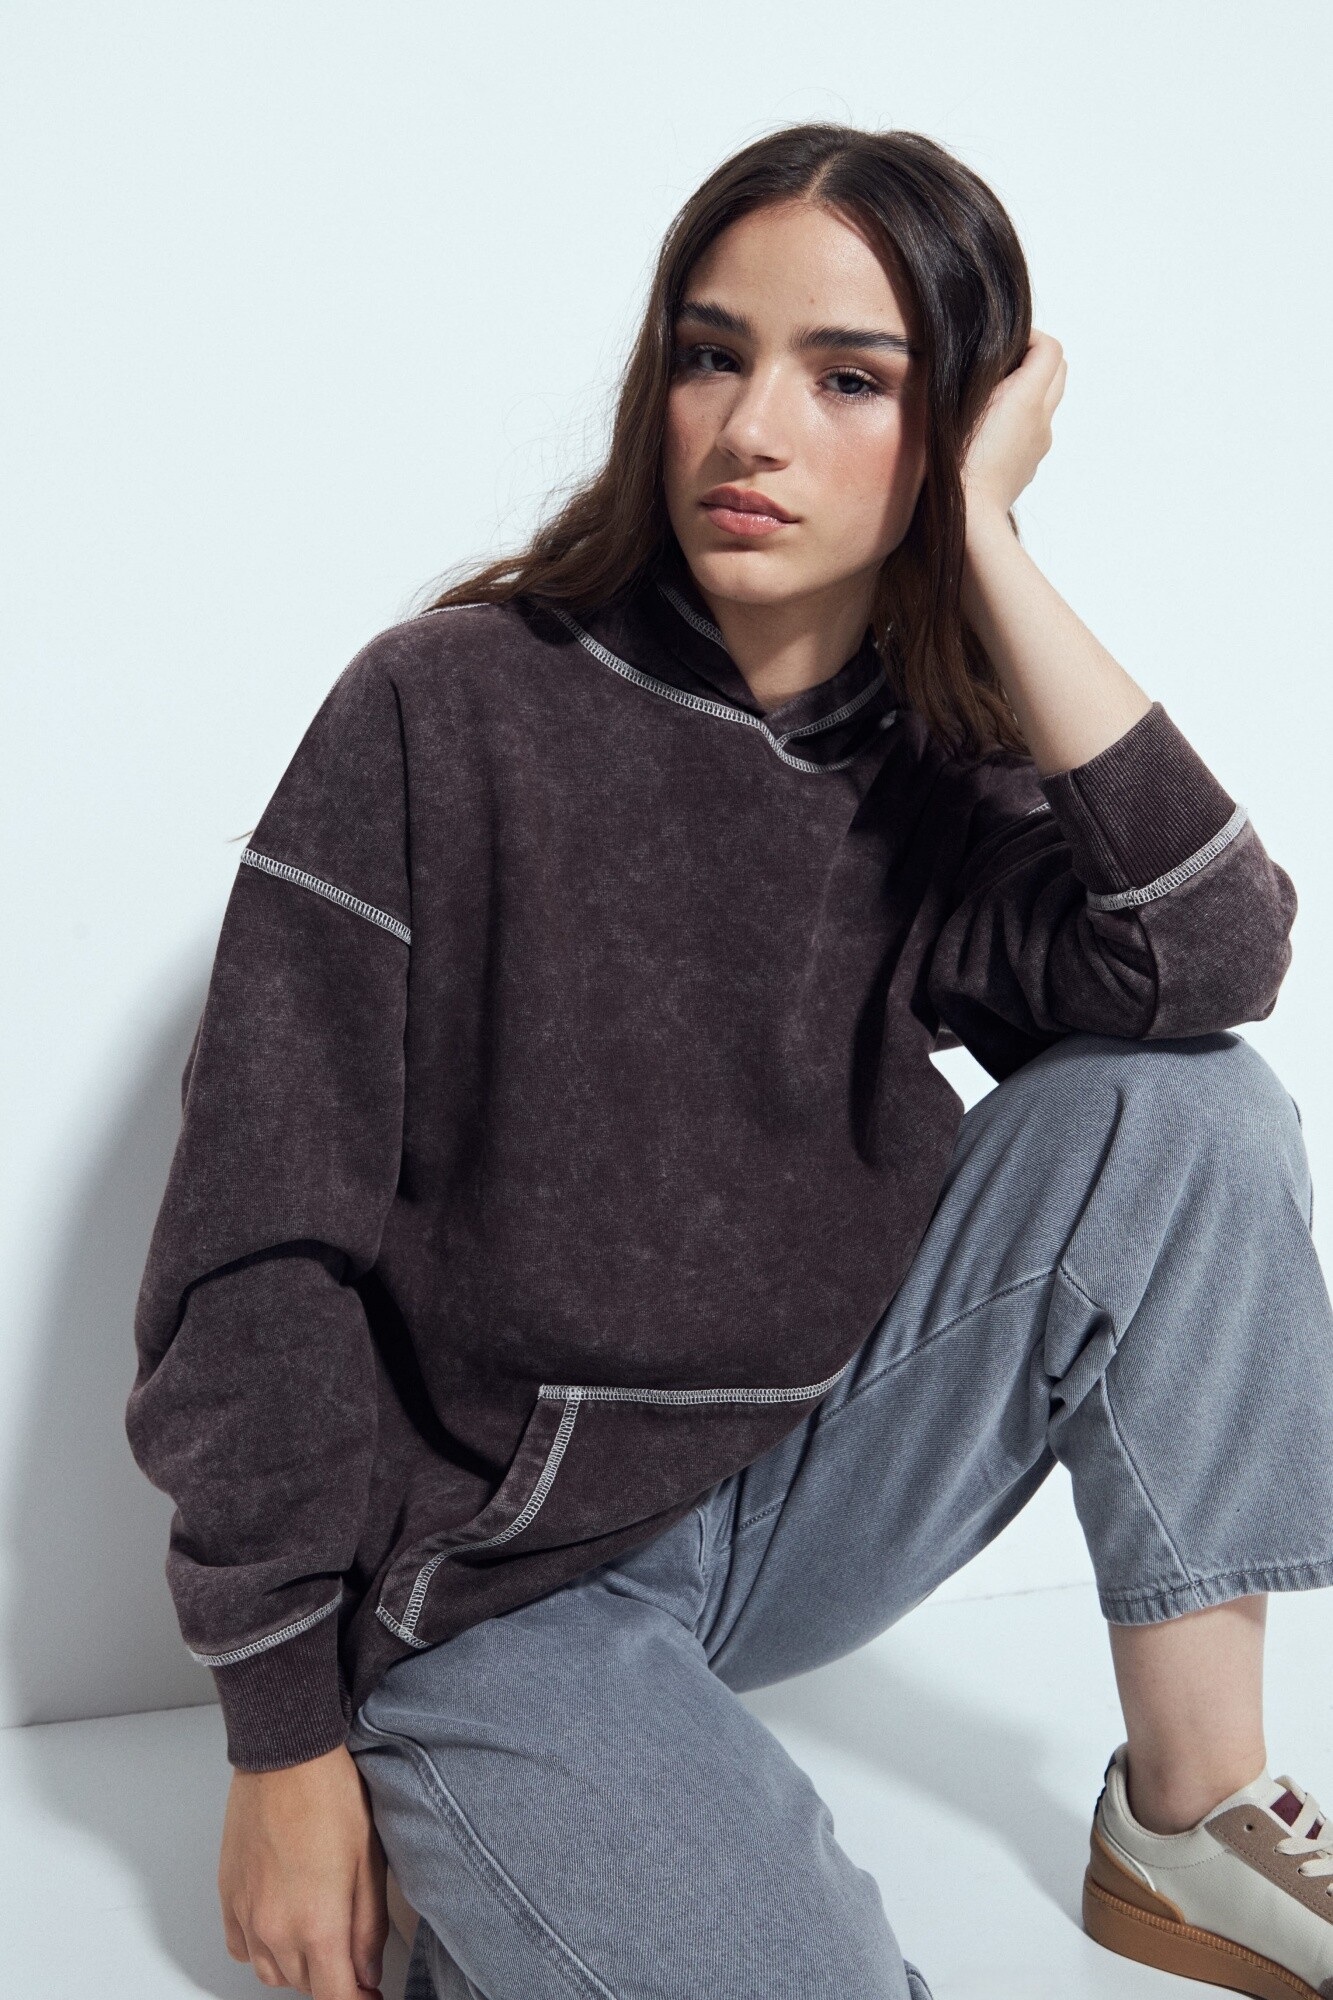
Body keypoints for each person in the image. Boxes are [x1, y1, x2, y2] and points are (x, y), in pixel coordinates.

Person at [125, 123, 1333, 2000]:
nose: (749, 428)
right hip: (486, 1585)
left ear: (951, 432)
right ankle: (507, 1818)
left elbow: (1209, 958)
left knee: (1185, 1111)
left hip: (784, 1496)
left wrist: (988, 545)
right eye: (712, 354)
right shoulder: (444, 708)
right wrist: (280, 1744)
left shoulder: (928, 766)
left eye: (849, 379)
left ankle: (1188, 1812)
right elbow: (251, 1255)